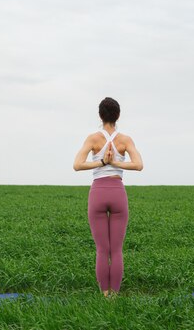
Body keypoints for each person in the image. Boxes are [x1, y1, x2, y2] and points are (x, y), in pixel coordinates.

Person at [73, 97, 144, 298]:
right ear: (118, 116)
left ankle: (105, 295)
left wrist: (102, 162)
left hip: (98, 192)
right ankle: (115, 296)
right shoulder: (125, 140)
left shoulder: (93, 139)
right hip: (117, 192)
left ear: (100, 115)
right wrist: (117, 164)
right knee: (117, 249)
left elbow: (77, 164)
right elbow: (139, 165)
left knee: (102, 249)